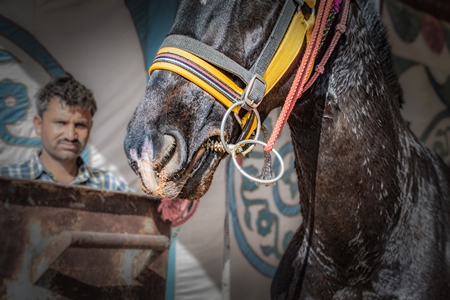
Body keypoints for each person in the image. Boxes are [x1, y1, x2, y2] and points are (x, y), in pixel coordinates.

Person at [0, 76, 131, 192]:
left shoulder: (109, 186)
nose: (70, 136)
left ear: (90, 128)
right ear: (38, 125)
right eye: (61, 123)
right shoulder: (7, 181)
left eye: (80, 125)